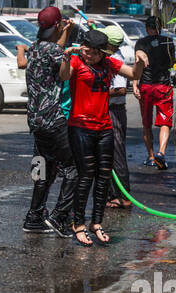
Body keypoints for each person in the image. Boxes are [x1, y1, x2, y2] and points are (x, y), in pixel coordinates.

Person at [59, 28, 143, 246]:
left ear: (103, 53)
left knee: (103, 176)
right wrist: (67, 58)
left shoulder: (109, 64)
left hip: (104, 127)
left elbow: (134, 74)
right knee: (85, 176)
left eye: (94, 53)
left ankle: (96, 223)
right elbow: (64, 76)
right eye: (86, 50)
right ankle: (78, 224)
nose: (89, 55)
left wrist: (141, 60)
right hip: (80, 126)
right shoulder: (77, 62)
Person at [22, 6, 78, 236]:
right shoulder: (55, 51)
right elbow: (66, 74)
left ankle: (34, 217)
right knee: (74, 169)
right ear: (56, 26)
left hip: (35, 121)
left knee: (43, 168)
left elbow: (56, 46)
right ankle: (59, 217)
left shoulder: (34, 49)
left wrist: (64, 31)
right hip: (53, 119)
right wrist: (68, 58)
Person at [133, 15, 176, 170]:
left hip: (146, 86)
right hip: (163, 86)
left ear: (147, 28)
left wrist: (134, 84)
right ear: (161, 28)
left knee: (146, 123)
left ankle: (151, 156)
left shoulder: (141, 42)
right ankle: (161, 153)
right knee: (165, 121)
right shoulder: (168, 41)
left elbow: (137, 65)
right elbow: (172, 62)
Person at [105, 25, 132, 208]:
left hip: (114, 111)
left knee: (117, 154)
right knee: (107, 154)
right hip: (110, 111)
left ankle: (123, 196)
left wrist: (99, 92)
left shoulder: (115, 59)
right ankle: (113, 195)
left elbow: (121, 88)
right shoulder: (110, 56)